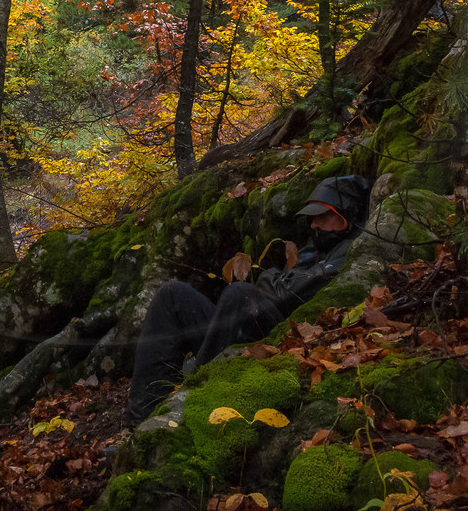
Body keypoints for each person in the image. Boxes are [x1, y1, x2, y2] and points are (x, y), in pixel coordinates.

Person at [125, 175, 372, 426]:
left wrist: (270, 279)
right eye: (312, 218)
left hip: (279, 345)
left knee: (239, 294)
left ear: (343, 218)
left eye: (321, 216)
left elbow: (289, 293)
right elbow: (280, 284)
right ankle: (140, 422)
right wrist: (272, 279)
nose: (313, 225)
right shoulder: (314, 247)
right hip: (250, 336)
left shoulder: (350, 250)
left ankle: (184, 410)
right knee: (172, 295)